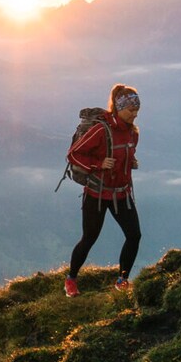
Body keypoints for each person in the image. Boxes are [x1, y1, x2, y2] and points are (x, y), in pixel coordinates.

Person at [64, 83, 141, 296]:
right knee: (89, 238)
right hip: (97, 194)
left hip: (122, 194)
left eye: (137, 110)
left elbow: (125, 154)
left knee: (134, 235)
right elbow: (73, 154)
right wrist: (98, 164)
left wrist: (130, 160)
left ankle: (122, 280)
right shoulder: (101, 130)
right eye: (131, 110)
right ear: (118, 108)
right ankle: (71, 278)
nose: (135, 114)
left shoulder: (133, 133)